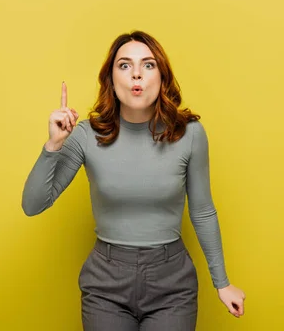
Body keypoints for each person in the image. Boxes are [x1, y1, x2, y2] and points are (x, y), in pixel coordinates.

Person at [22, 30, 245, 330]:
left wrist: (222, 282)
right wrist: (53, 145)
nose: (136, 74)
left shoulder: (190, 134)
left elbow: (203, 210)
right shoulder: (86, 135)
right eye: (125, 65)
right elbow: (33, 205)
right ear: (111, 81)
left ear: (162, 78)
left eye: (148, 65)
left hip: (172, 284)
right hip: (105, 284)